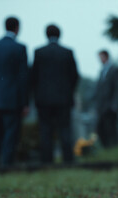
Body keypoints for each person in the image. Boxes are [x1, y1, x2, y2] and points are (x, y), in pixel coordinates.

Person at [0, 16, 29, 168]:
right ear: (17, 28)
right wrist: (25, 102)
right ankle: (7, 165)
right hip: (13, 98)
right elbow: (23, 77)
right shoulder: (20, 48)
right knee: (10, 133)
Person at [30, 24, 80, 164]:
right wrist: (69, 90)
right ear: (60, 35)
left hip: (44, 99)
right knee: (65, 129)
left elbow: (33, 76)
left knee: (45, 130)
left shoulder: (39, 52)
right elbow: (75, 75)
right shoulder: (67, 52)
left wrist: (37, 94)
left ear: (46, 35)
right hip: (64, 99)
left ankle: (47, 161)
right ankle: (68, 160)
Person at [94, 50, 118, 148]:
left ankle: (114, 147)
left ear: (106, 56)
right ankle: (107, 147)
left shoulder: (115, 70)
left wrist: (115, 105)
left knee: (111, 129)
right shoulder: (102, 71)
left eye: (101, 57)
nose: (100, 60)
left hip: (111, 106)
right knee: (101, 128)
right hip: (102, 106)